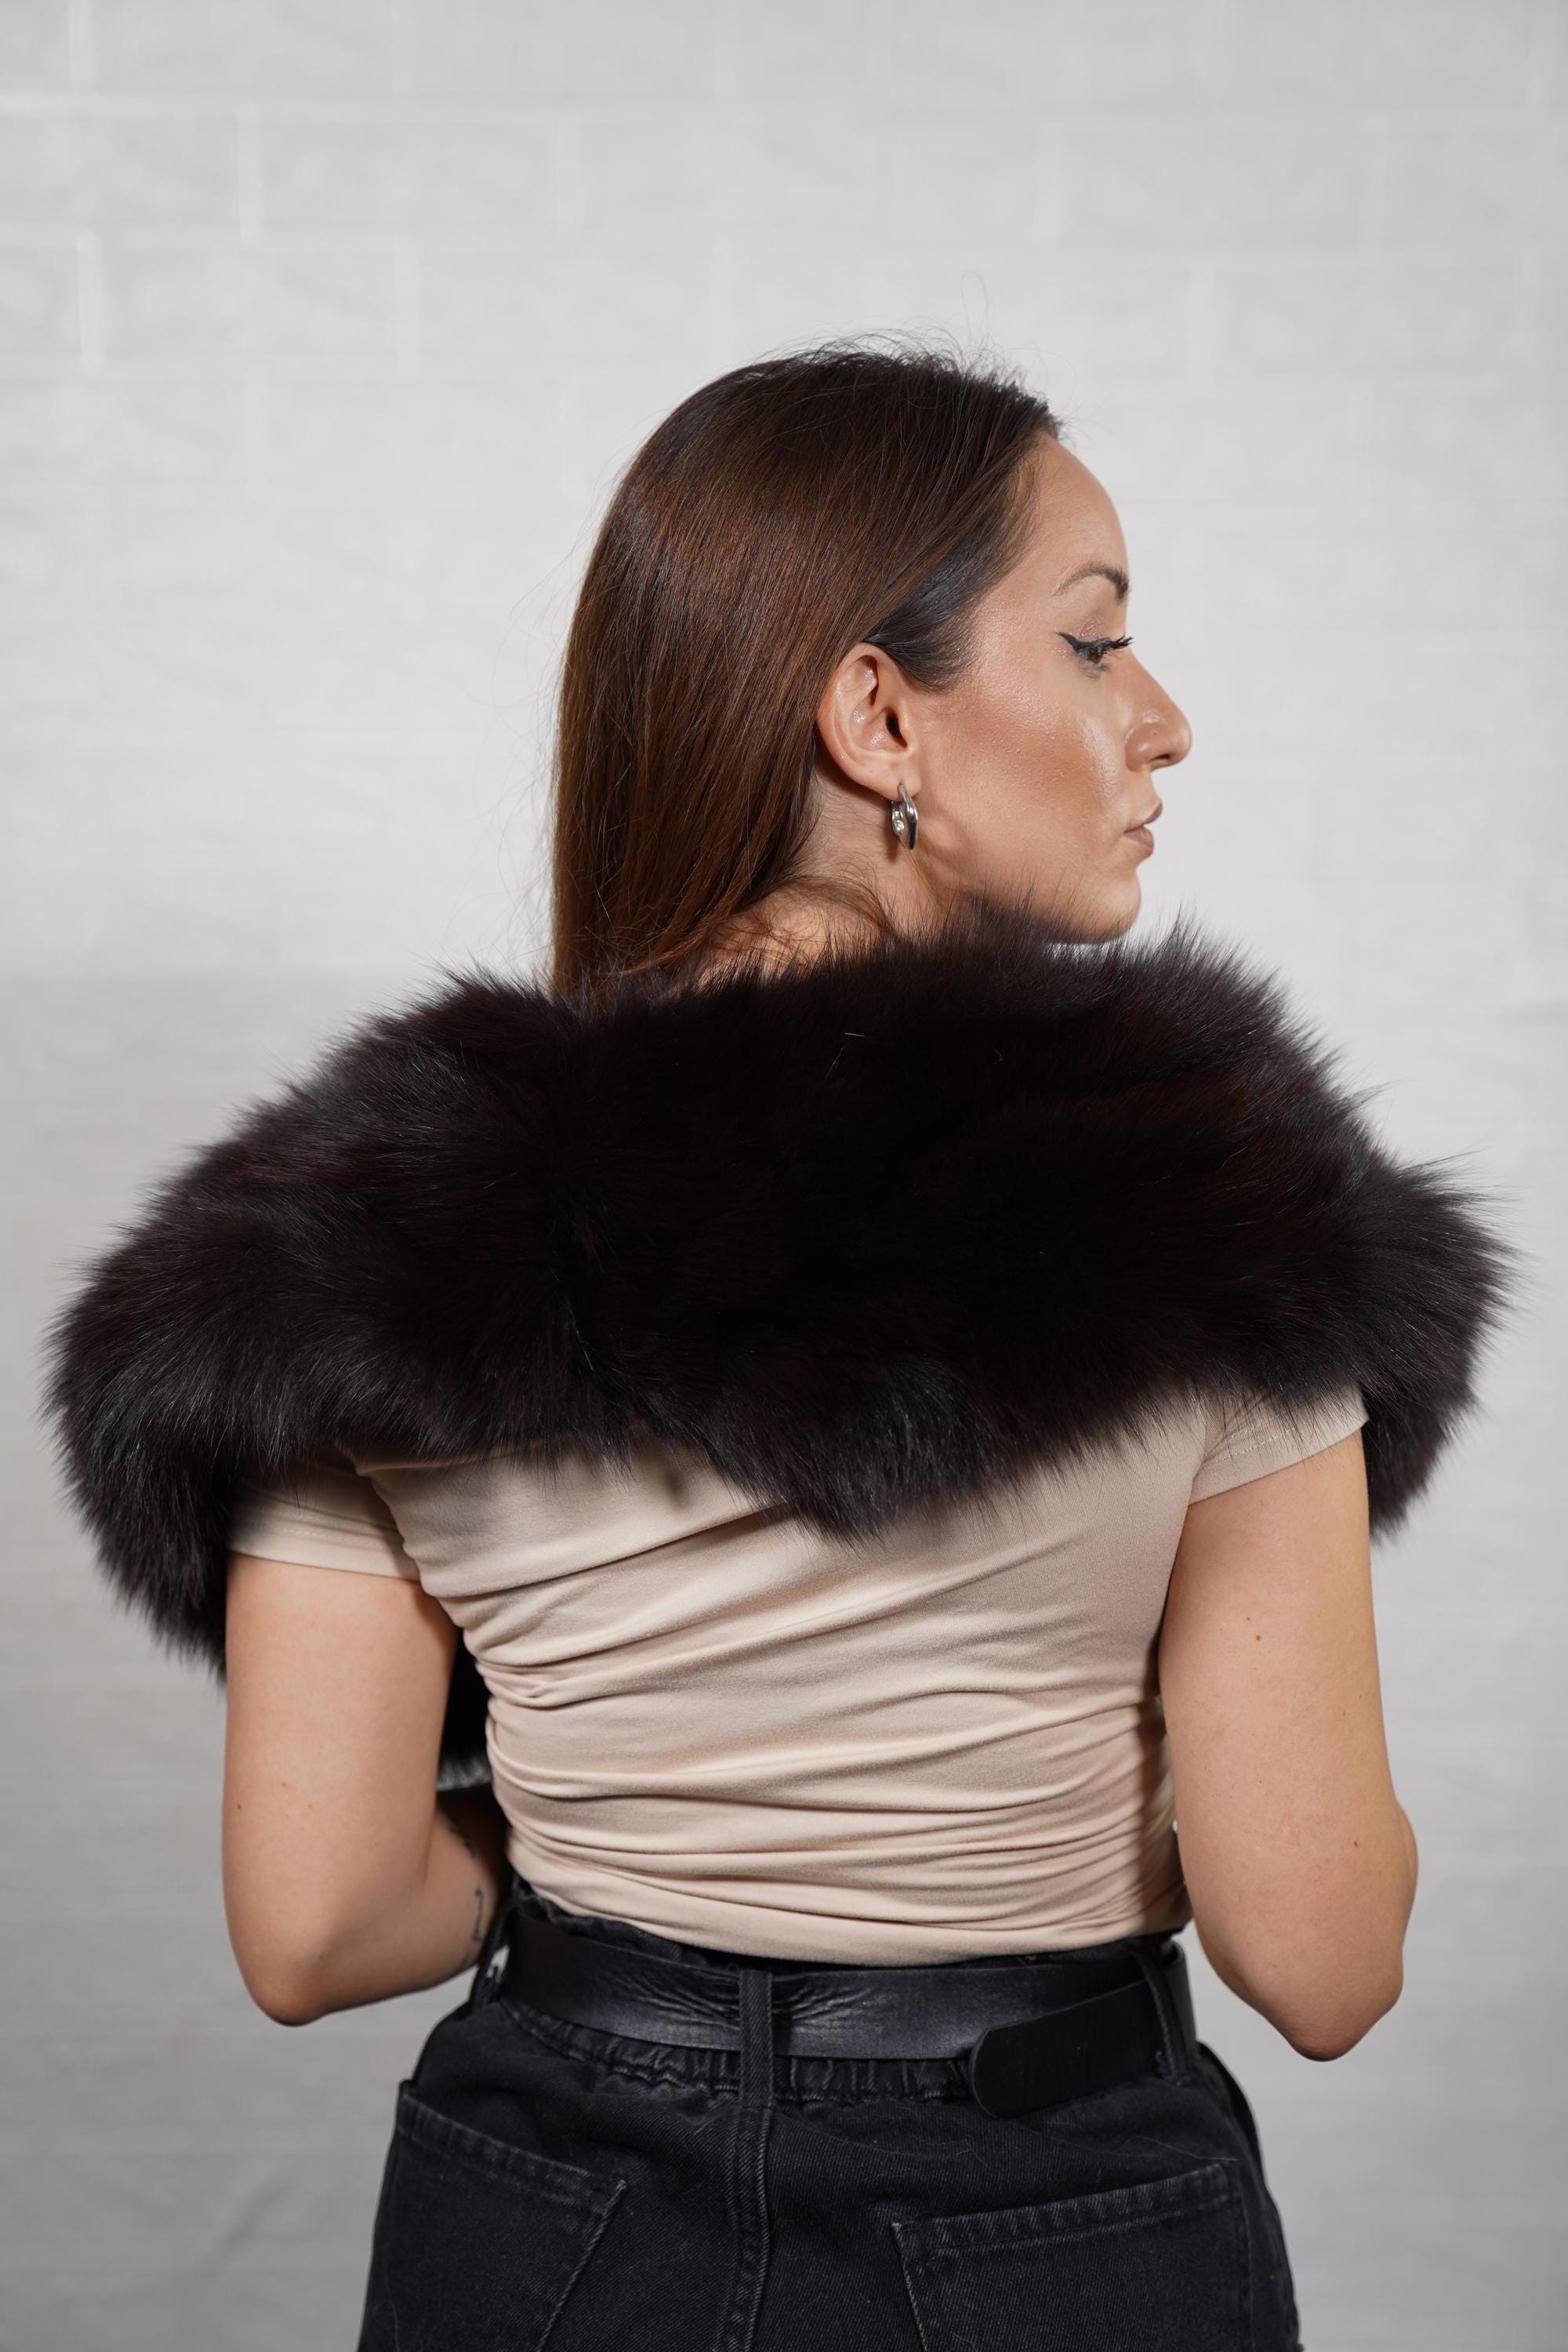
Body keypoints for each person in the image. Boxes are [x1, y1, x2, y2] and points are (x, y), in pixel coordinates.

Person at [39, 339, 1521, 2352]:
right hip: (1047, 2218)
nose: (1161, 719)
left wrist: (629, 1834)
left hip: (544, 2213)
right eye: (1095, 643)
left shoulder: (356, 1249)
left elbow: (315, 1925)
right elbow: (1322, 1954)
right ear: (878, 715)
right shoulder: (1219, 1210)